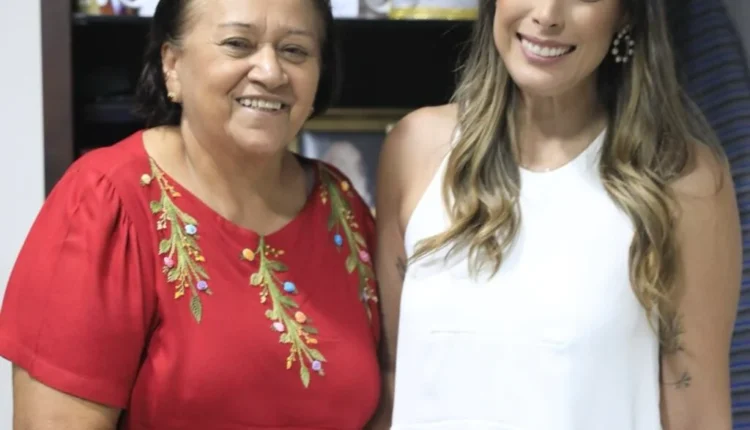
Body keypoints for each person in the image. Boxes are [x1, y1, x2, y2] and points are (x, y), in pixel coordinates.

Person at [0, 0, 381, 428]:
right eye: (238, 44)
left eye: (295, 50)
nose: (271, 72)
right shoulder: (107, 200)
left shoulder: (341, 207)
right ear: (172, 64)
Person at [374, 0, 741, 429]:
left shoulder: (683, 181)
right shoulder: (414, 150)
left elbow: (699, 417)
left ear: (626, 14)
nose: (547, 14)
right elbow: (393, 379)